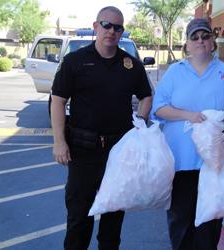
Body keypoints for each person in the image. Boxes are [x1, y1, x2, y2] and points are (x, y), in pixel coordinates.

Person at [50, 6, 152, 250]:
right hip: (82, 150)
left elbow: (146, 96)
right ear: (96, 26)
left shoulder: (131, 65)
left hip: (119, 152)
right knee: (78, 218)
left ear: (122, 32)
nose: (111, 31)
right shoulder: (75, 61)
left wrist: (140, 123)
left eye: (118, 27)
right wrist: (59, 141)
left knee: (113, 218)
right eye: (106, 25)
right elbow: (58, 100)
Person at [151, 18, 224, 250]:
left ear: (213, 41)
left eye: (205, 36)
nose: (200, 41)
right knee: (181, 220)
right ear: (186, 43)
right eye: (194, 37)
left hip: (215, 162)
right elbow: (159, 108)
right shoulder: (175, 72)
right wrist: (188, 115)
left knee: (211, 222)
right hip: (181, 161)